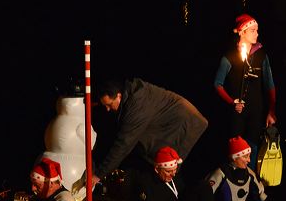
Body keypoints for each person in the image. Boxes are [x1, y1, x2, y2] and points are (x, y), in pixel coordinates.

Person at [78, 78, 209, 193]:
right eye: (104, 105)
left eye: (109, 104)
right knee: (154, 168)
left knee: (165, 167)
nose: (107, 109)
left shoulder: (136, 105)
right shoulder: (129, 97)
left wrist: (98, 174)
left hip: (181, 126)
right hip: (167, 126)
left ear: (119, 96)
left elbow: (123, 143)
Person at [212, 13, 277, 167]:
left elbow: (270, 85)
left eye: (257, 30)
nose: (257, 33)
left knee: (253, 146)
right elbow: (217, 84)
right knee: (236, 149)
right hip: (237, 112)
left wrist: (271, 111)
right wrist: (232, 102)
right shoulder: (230, 56)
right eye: (253, 30)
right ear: (242, 32)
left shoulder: (261, 56)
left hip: (256, 110)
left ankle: (251, 178)